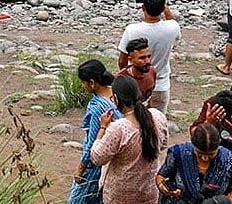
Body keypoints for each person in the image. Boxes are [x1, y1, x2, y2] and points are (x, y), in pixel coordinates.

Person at [90, 75, 169, 204]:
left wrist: (103, 128)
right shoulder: (157, 117)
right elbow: (163, 144)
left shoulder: (119, 128)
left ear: (116, 99)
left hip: (120, 196)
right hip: (149, 192)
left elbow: (97, 157)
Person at [117, 0, 180, 114]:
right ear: (163, 8)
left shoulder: (132, 30)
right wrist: (165, 9)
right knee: (158, 119)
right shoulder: (172, 28)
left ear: (143, 7)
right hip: (161, 83)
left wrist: (127, 79)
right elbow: (172, 21)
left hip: (137, 84)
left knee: (134, 118)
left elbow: (122, 60)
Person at [68, 60, 120, 204]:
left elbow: (92, 144)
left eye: (83, 83)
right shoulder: (118, 95)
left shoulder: (97, 107)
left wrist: (81, 169)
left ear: (92, 83)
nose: (82, 86)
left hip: (97, 163)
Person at [156, 123, 232, 204]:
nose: (205, 158)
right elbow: (161, 175)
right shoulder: (178, 154)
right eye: (199, 153)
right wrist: (163, 186)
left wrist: (230, 198)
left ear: (219, 144)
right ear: (193, 144)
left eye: (211, 154)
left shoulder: (230, 160)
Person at [115, 37, 156, 106]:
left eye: (149, 56)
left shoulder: (152, 71)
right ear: (131, 60)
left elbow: (149, 97)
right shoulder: (121, 79)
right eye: (142, 58)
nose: (148, 61)